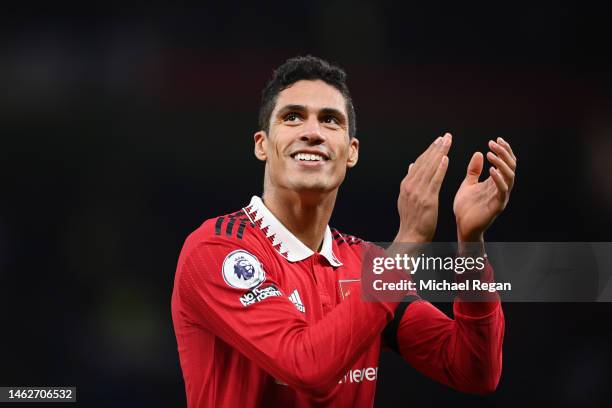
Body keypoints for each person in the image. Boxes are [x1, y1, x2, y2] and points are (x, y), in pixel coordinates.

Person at [171, 55, 517, 407]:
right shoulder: (216, 248)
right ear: (262, 144)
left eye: (330, 120)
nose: (312, 132)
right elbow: (305, 366)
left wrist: (471, 244)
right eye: (292, 117)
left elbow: (474, 371)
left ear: (351, 152)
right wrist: (409, 240)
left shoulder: (364, 264)